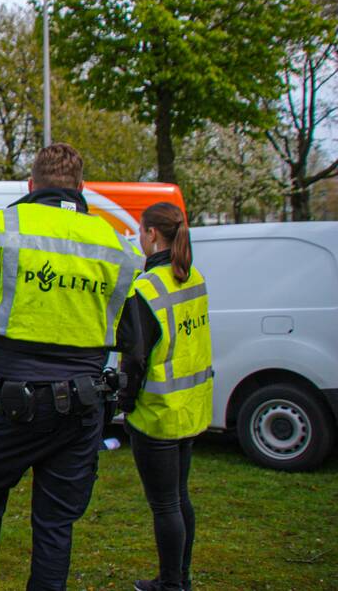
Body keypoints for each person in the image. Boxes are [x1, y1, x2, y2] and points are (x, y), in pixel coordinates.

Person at [0, 143, 146, 591]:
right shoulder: (115, 243)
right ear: (82, 189)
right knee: (56, 526)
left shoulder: (4, 226)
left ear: (31, 185)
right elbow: (133, 340)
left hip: (11, 396)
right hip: (82, 404)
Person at [119, 203, 213, 591]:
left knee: (165, 504)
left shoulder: (146, 288)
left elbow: (135, 358)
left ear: (153, 234)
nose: (139, 239)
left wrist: (124, 402)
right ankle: (181, 578)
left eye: (140, 232)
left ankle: (171, 584)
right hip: (189, 407)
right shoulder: (194, 278)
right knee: (179, 497)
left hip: (156, 414)